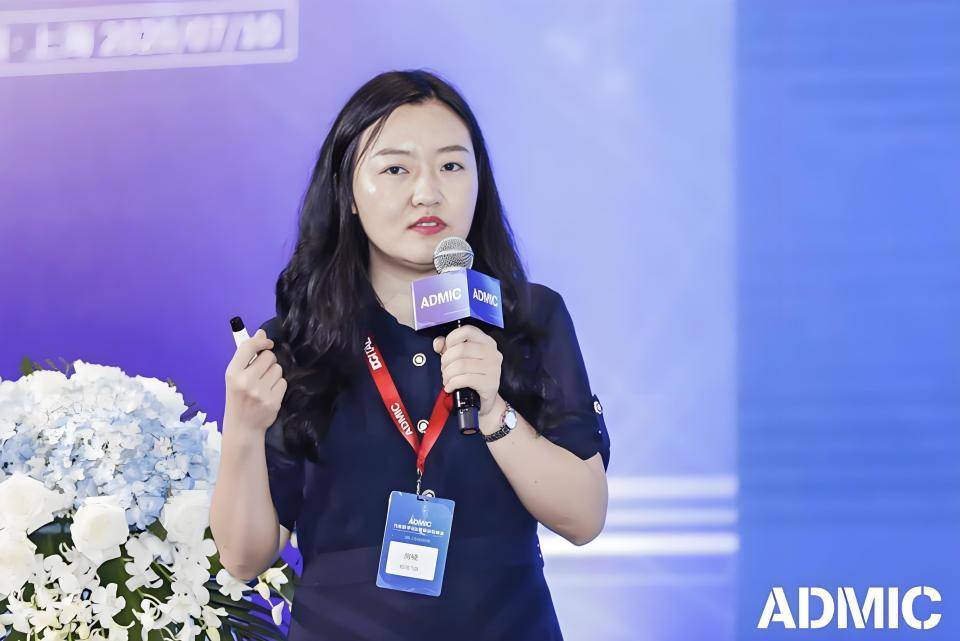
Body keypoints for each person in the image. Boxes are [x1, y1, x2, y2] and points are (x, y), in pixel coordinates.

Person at [209, 69, 611, 641]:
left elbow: (584, 518)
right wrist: (244, 429)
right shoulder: (297, 342)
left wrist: (495, 412)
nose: (428, 192)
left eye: (452, 166)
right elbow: (244, 558)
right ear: (348, 192)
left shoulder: (528, 317)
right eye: (396, 169)